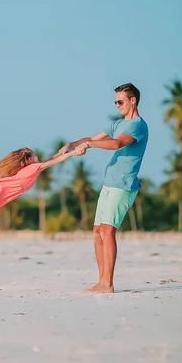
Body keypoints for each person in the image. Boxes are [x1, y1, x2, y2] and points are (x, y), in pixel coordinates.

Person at [59, 83, 149, 294]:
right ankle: (101, 282)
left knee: (108, 231)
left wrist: (89, 146)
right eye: (116, 102)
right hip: (109, 183)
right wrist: (72, 144)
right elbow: (93, 138)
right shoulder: (117, 123)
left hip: (123, 185)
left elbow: (117, 144)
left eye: (120, 101)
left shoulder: (138, 125)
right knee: (98, 231)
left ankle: (107, 284)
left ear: (132, 100)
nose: (117, 105)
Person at [0, 148, 77, 226]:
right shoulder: (33, 168)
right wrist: (72, 153)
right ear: (29, 160)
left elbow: (50, 161)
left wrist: (61, 152)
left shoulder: (31, 169)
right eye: (34, 155)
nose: (37, 156)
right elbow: (54, 162)